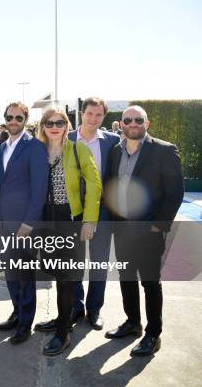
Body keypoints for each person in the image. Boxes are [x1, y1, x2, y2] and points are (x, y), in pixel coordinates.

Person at [104, 105, 184, 356]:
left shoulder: (164, 150)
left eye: (138, 119)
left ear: (146, 123)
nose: (133, 123)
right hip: (122, 229)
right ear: (122, 124)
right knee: (127, 278)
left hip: (149, 231)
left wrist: (158, 225)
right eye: (128, 120)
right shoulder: (116, 151)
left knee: (150, 282)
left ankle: (153, 334)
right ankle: (132, 323)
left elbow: (174, 193)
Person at [31, 107, 102, 356]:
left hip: (69, 220)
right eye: (49, 122)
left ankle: (63, 333)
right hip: (45, 221)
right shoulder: (37, 151)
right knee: (54, 272)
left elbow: (94, 183)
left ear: (66, 125)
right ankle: (63, 318)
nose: (54, 126)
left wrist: (89, 221)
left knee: (67, 277)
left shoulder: (77, 149)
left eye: (59, 122)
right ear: (42, 125)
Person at [0, 102, 49, 345]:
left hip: (24, 225)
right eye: (10, 117)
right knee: (10, 271)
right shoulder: (1, 147)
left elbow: (40, 190)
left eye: (19, 117)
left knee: (25, 274)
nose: (13, 121)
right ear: (5, 119)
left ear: (26, 119)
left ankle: (25, 323)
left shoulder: (35, 147)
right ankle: (17, 313)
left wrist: (29, 224)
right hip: (5, 222)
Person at [64, 97, 120, 330]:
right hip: (72, 211)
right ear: (81, 114)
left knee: (99, 262)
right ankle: (76, 306)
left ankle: (94, 309)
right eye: (89, 114)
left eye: (98, 115)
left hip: (102, 212)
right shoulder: (66, 138)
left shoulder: (113, 141)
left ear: (103, 117)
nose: (93, 119)